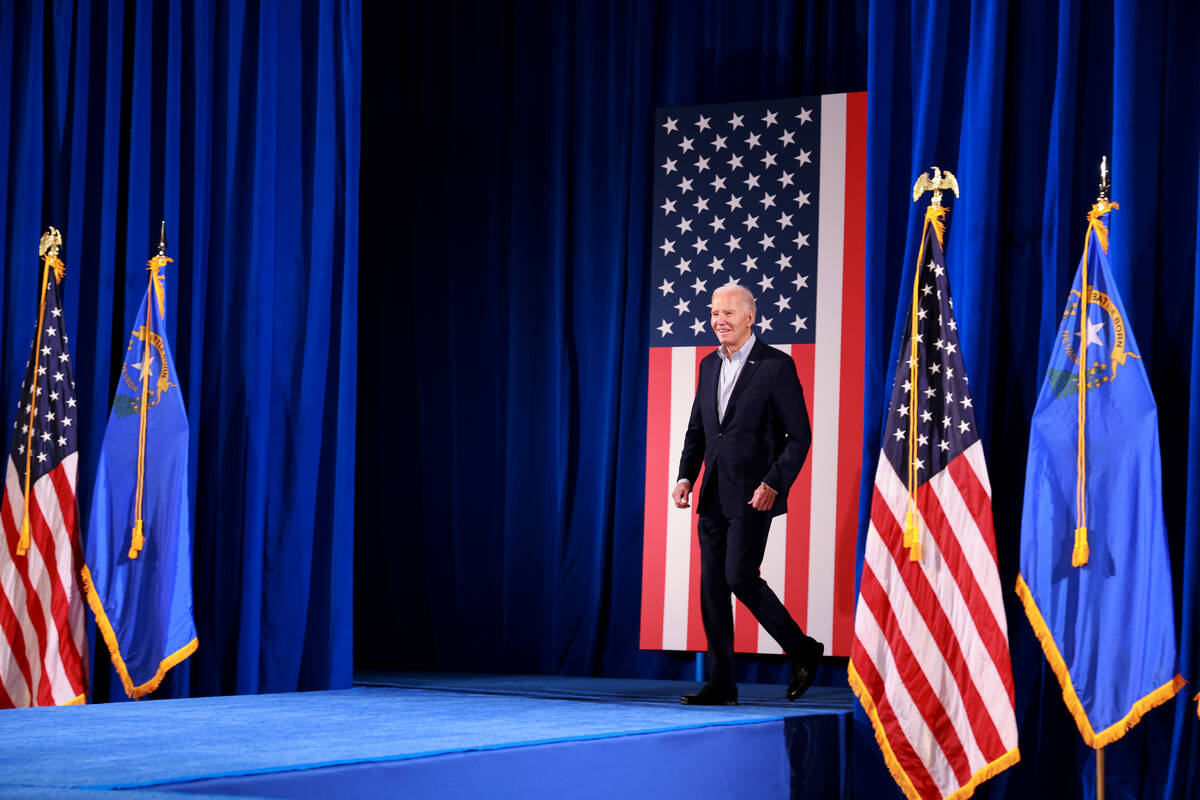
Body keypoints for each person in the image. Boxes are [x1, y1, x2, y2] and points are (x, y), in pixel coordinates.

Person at [672, 284, 823, 705]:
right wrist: (686, 476)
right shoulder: (707, 366)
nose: (719, 320)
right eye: (714, 312)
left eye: (728, 313)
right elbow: (698, 431)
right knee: (712, 589)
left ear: (750, 316)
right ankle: (721, 683)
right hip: (713, 495)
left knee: (739, 577)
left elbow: (799, 436)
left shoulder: (776, 366)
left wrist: (774, 482)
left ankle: (801, 649)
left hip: (756, 494)